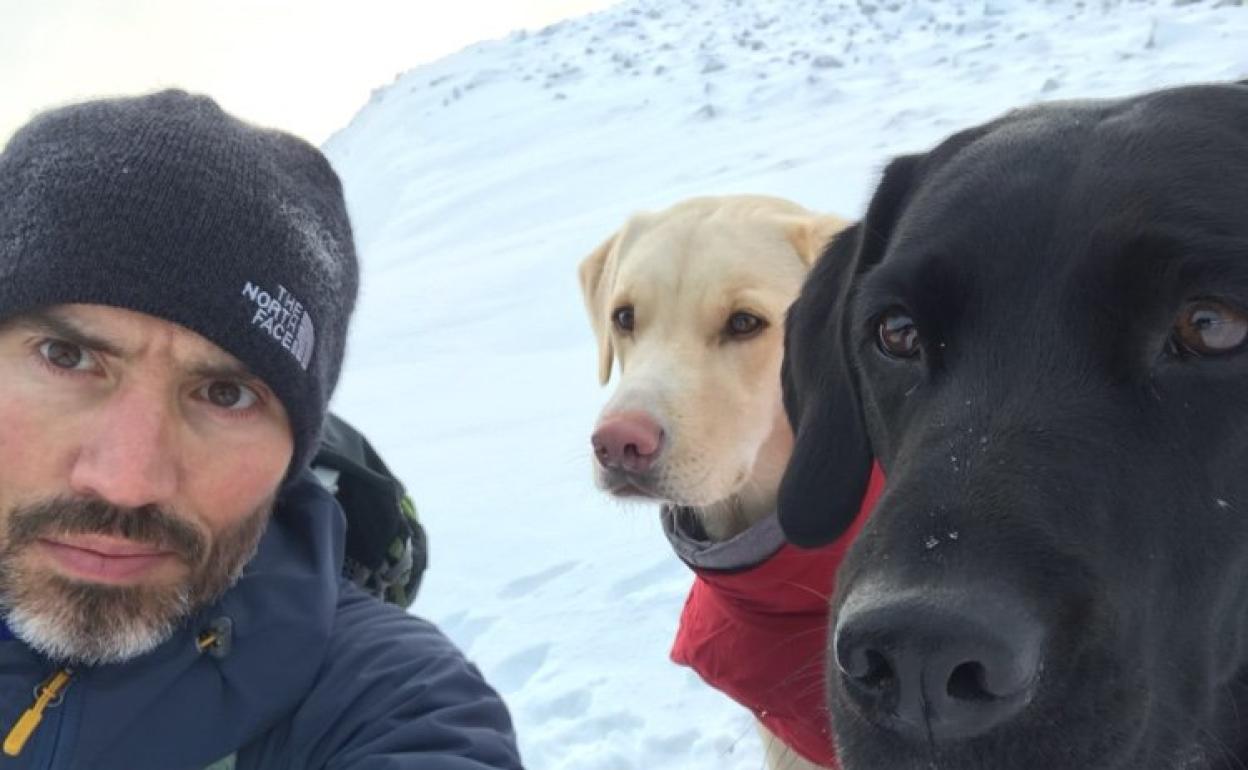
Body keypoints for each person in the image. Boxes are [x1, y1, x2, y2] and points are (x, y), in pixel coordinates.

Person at [0, 90, 524, 770]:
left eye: (226, 394)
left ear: (294, 454)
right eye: (66, 357)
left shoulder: (389, 702)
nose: (127, 480)